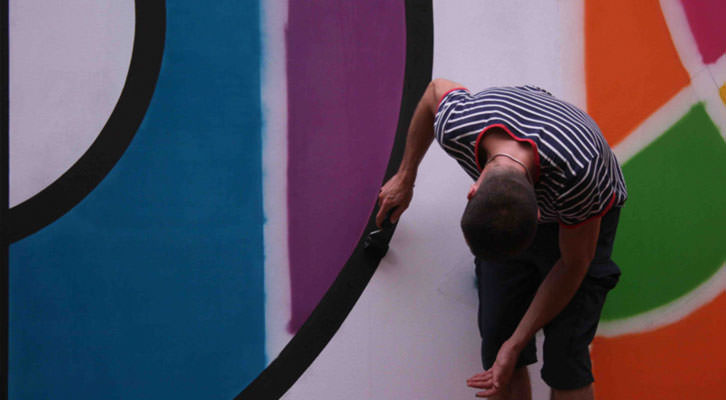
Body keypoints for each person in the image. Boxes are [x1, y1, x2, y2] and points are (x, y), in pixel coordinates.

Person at [376, 79, 627, 400]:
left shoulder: (579, 176)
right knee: (497, 345)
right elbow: (434, 90)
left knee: (566, 356)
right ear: (474, 190)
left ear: (539, 214)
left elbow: (574, 263)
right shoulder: (460, 124)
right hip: (517, 200)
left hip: (584, 215)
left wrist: (518, 340)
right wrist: (405, 176)